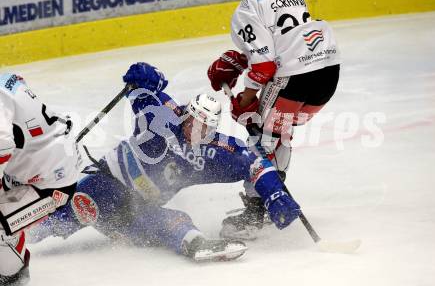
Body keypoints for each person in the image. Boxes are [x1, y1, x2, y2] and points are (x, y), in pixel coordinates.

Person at [29, 62, 301, 260]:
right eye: (193, 121)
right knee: (57, 217)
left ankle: (194, 243)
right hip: (104, 182)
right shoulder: (161, 118)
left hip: (133, 212)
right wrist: (149, 76)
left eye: (204, 128)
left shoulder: (215, 153)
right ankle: (17, 237)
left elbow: (254, 162)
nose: (196, 130)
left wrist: (273, 192)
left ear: (213, 129)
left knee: (170, 219)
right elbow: (145, 88)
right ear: (187, 114)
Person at [207, 0, 341, 237]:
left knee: (259, 137)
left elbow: (266, 65)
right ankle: (272, 197)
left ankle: (254, 214)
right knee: (279, 135)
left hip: (295, 78)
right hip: (328, 74)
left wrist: (246, 97)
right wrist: (242, 61)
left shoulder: (248, 7)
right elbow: (284, 43)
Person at [0, 73, 81, 285]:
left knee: (1, 227)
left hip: (50, 181)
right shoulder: (3, 80)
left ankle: (13, 279)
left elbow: (2, 144)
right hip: (30, 169)